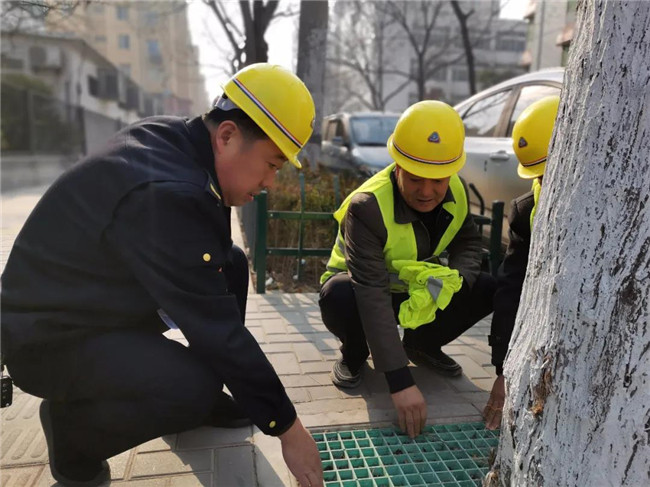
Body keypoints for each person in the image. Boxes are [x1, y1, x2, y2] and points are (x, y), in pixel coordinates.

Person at [0, 63, 324, 487]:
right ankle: (73, 438)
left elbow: (207, 284)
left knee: (232, 263)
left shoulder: (181, 139)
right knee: (189, 387)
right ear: (226, 136)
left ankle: (202, 401)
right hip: (50, 340)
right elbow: (218, 329)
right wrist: (287, 427)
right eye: (271, 164)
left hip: (92, 300)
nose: (269, 183)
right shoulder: (171, 190)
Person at [319, 101, 496, 439]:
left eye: (438, 181)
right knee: (339, 294)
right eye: (415, 179)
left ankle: (422, 345)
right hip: (363, 295)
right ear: (397, 166)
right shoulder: (367, 207)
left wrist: (455, 278)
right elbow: (370, 292)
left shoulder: (455, 191)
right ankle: (354, 354)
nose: (427, 192)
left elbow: (469, 244)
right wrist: (399, 382)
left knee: (484, 286)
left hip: (412, 294)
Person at [484, 95, 561, 430]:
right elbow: (512, 289)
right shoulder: (527, 209)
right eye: (539, 178)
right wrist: (504, 371)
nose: (544, 184)